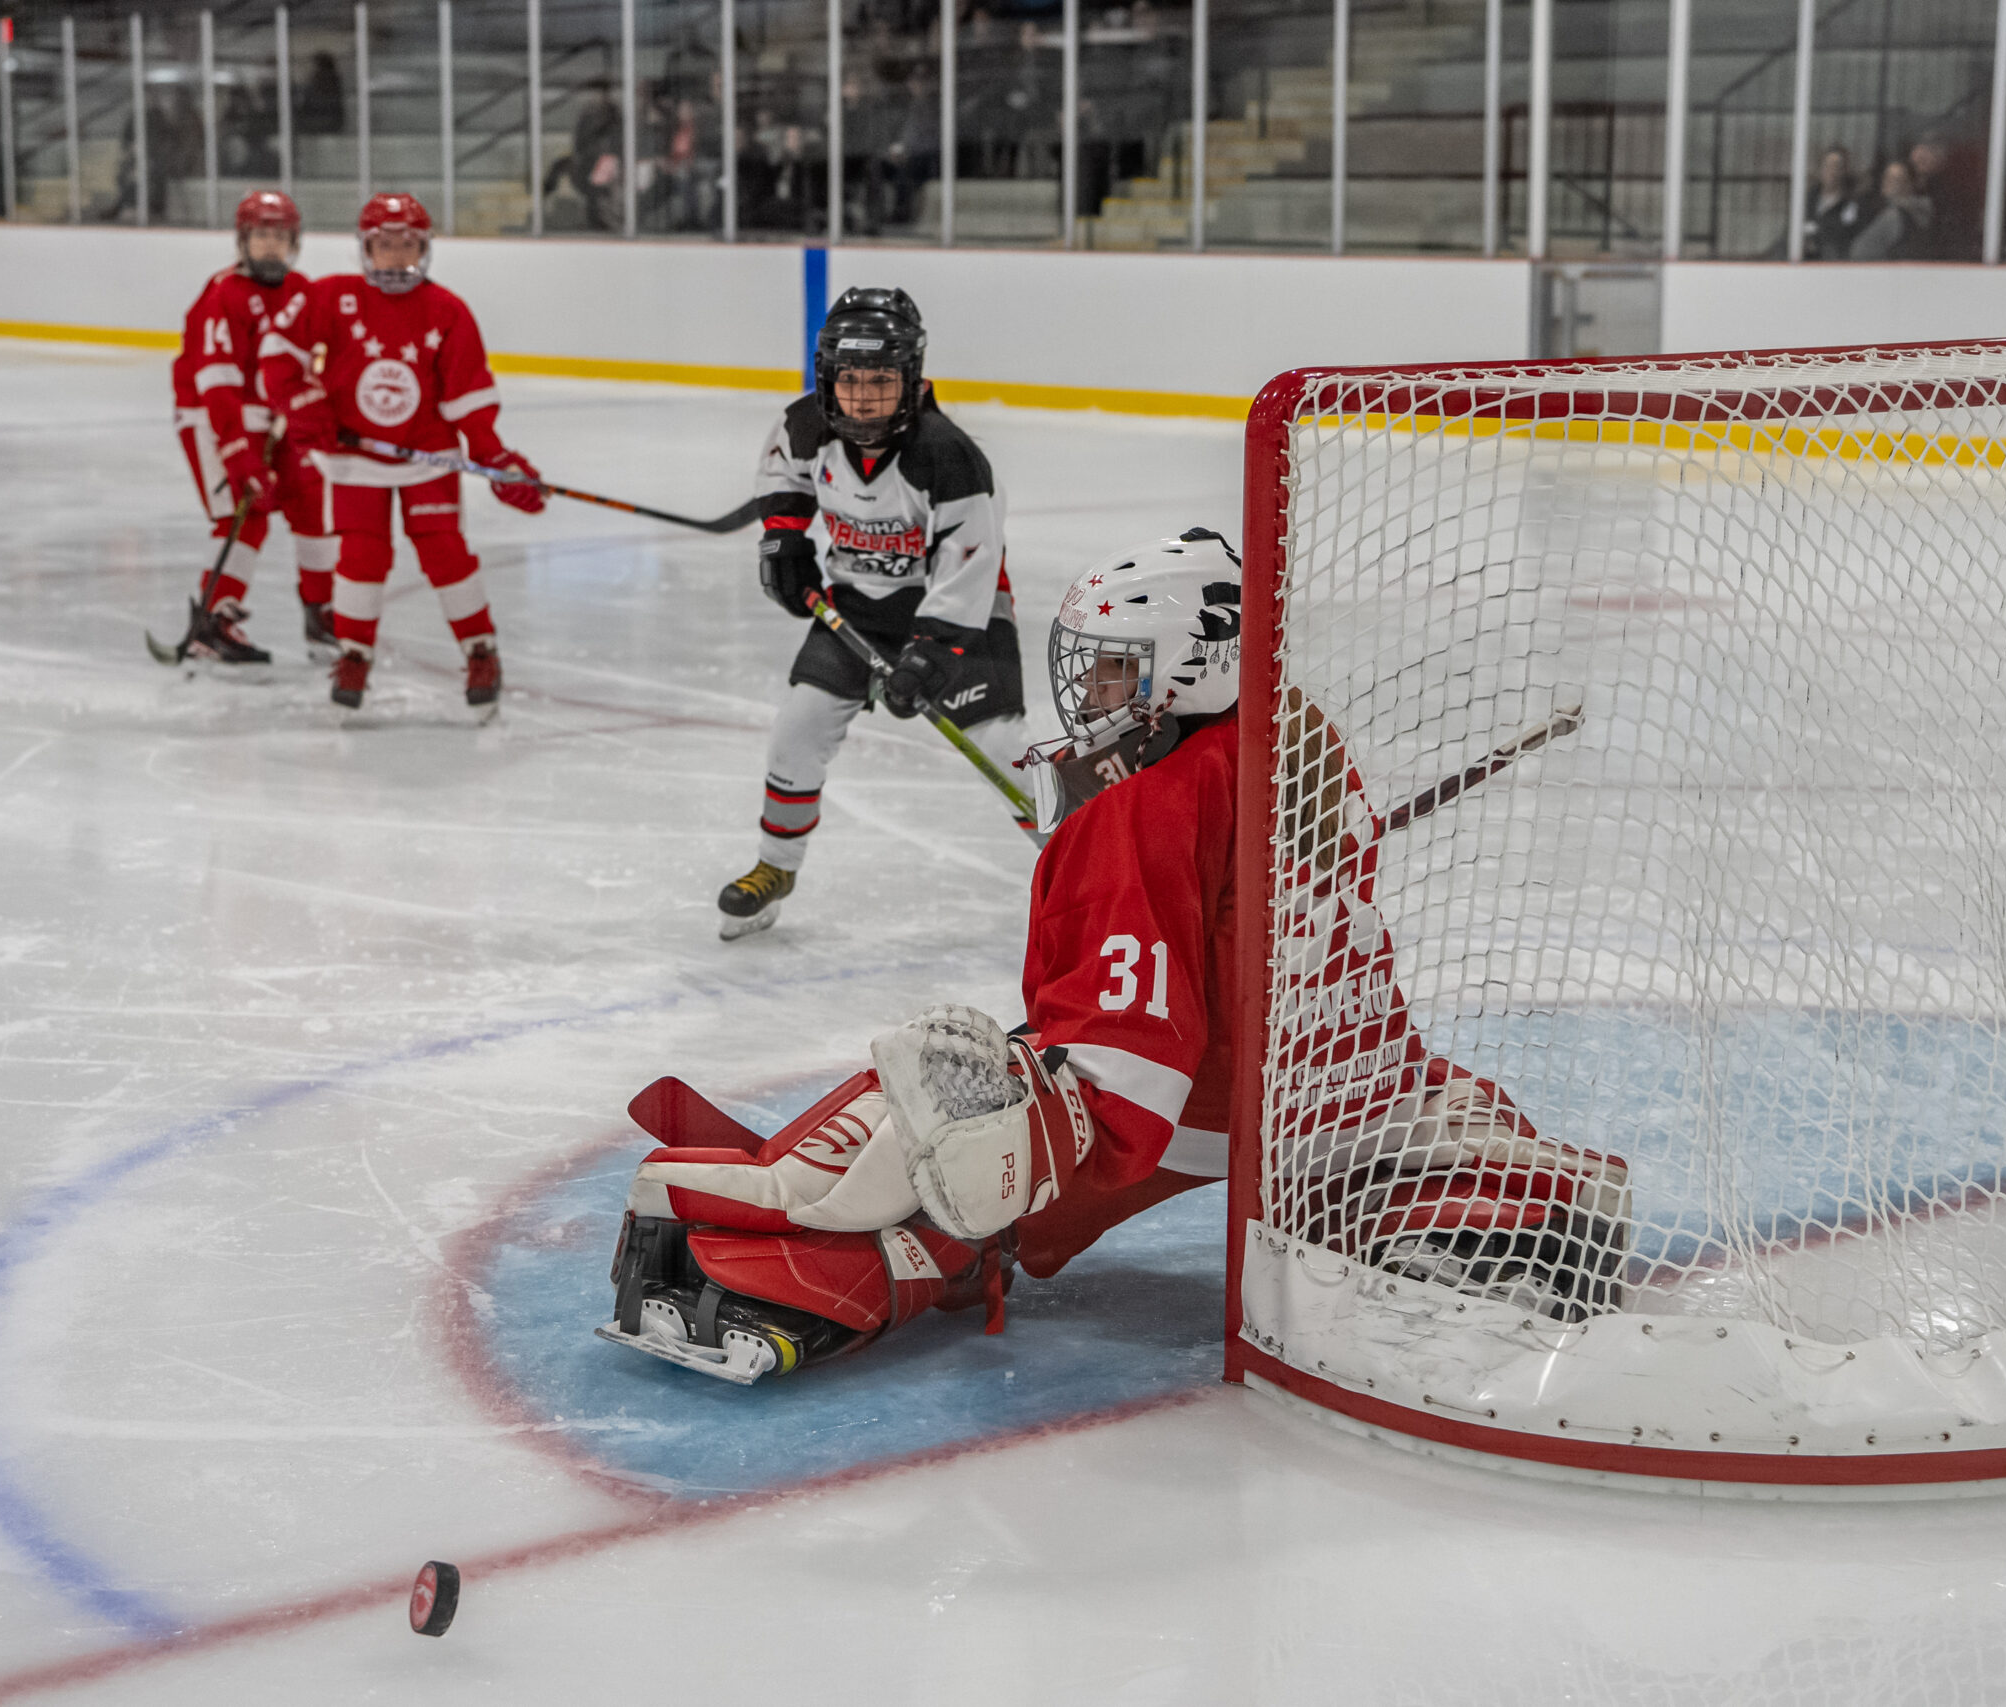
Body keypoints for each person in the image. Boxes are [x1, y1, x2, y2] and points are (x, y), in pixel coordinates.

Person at [601, 533, 1619, 1383]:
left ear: (1192, 664)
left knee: (939, 1120)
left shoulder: (1141, 811)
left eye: (1114, 666)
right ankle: (1487, 1215)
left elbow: (1130, 1067)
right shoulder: (1295, 734)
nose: (1087, 688)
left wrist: (999, 1172)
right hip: (1345, 1089)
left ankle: (826, 1268)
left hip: (1204, 1109)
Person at [714, 286, 1024, 940]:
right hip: (854, 607)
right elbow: (782, 476)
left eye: (880, 382)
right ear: (828, 379)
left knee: (1004, 749)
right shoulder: (806, 424)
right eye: (850, 381)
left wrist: (932, 653)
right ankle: (776, 865)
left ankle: (1090, 873)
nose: (862, 398)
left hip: (956, 619)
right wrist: (785, 538)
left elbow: (970, 567)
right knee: (796, 732)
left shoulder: (950, 456)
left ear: (913, 380)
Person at [256, 192, 546, 714]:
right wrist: (304, 405)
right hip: (356, 460)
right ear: (365, 248)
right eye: (383, 246)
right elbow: (278, 355)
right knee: (362, 557)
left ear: (425, 247)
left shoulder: (447, 311)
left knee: (445, 552)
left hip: (426, 456)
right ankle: (353, 654)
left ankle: (481, 649)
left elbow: (468, 402)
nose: (395, 257)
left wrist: (496, 459)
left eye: (406, 245)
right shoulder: (332, 297)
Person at [167, 190, 335, 666]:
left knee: (310, 499)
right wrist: (237, 452)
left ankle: (321, 615)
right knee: (246, 515)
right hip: (215, 418)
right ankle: (212, 624)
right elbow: (216, 382)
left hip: (277, 418)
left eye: (279, 236)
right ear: (243, 240)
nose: (270, 246)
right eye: (261, 235)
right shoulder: (222, 293)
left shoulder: (304, 291)